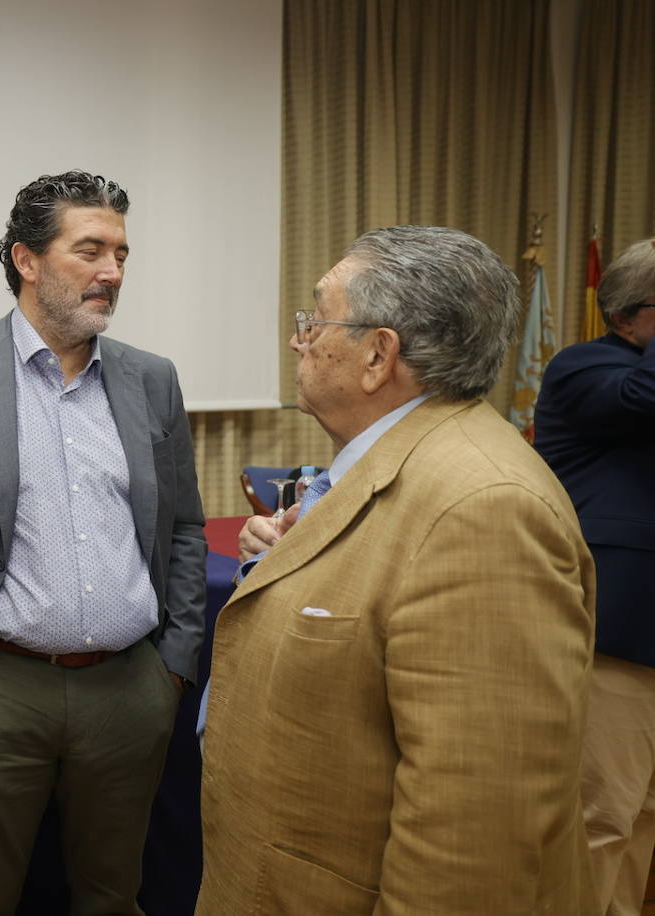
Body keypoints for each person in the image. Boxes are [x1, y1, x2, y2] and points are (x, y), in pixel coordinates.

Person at [198, 226, 598, 914]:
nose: (300, 339)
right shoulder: (397, 461)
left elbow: (472, 842)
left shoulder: (486, 509)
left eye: (316, 318)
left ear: (379, 354)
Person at [0, 171, 207, 916]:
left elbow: (186, 526)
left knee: (111, 897)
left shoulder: (151, 380)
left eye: (122, 254)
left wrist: (173, 664)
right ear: (26, 260)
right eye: (90, 250)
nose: (112, 273)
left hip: (130, 689)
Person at [534, 237, 655, 916]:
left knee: (644, 817)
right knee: (603, 815)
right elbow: (647, 396)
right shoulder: (583, 366)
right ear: (637, 312)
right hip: (616, 634)